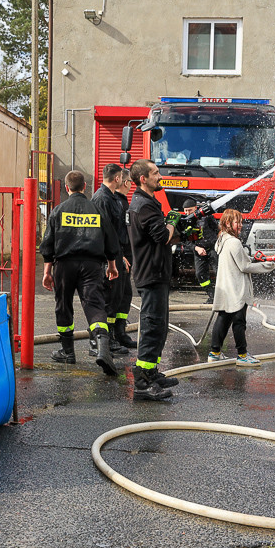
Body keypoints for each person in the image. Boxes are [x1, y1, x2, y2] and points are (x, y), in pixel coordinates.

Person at [40, 170, 120, 375]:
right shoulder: (96, 209)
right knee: (94, 304)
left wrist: (47, 272)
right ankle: (103, 347)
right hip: (92, 265)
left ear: (67, 188)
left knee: (63, 305)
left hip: (64, 265)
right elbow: (111, 241)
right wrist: (112, 265)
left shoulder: (58, 210)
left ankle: (68, 352)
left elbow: (48, 245)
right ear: (85, 187)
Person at [127, 158, 181, 401]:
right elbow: (161, 236)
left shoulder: (148, 202)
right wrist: (171, 222)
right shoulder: (144, 205)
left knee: (159, 326)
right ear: (143, 179)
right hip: (150, 274)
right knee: (151, 328)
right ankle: (141, 383)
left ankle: (152, 373)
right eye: (156, 173)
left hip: (156, 273)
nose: (160, 176)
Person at [207, 209, 275, 364]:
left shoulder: (222, 239)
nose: (240, 225)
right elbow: (245, 266)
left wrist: (253, 258)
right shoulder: (234, 242)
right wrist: (267, 266)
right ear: (227, 223)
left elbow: (239, 259)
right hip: (236, 289)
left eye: (241, 222)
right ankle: (243, 355)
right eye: (237, 222)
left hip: (226, 287)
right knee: (239, 322)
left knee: (223, 319)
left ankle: (214, 352)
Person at [91, 164, 131, 356]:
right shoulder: (102, 199)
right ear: (117, 179)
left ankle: (112, 339)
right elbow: (106, 231)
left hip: (116, 253)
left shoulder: (113, 198)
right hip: (109, 256)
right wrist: (114, 257)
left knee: (116, 299)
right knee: (108, 300)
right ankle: (100, 343)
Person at [112, 169, 137, 349]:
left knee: (125, 295)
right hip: (118, 257)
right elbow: (112, 233)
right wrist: (118, 256)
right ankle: (112, 336)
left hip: (126, 256)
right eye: (129, 182)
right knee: (114, 297)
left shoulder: (122, 202)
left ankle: (120, 332)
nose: (130, 185)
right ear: (124, 182)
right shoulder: (115, 202)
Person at [179, 197, 220, 303]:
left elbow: (216, 229)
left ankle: (223, 296)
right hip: (198, 250)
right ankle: (213, 296)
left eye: (190, 210)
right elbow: (184, 240)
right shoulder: (184, 221)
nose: (188, 213)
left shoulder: (206, 216)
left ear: (196, 208)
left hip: (212, 248)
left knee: (219, 272)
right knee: (200, 274)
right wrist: (196, 248)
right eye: (186, 210)